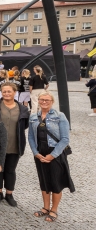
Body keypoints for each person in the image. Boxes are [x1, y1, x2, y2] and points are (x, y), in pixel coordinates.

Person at [28, 91, 75, 222]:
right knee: (44, 180)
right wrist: (35, 153)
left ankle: (54, 210)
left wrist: (52, 155)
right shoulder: (33, 117)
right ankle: (45, 207)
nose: (44, 102)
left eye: (47, 100)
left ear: (52, 102)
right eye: (42, 99)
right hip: (40, 152)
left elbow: (65, 139)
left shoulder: (60, 116)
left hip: (56, 152)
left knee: (56, 181)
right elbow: (31, 137)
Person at [0, 82, 30, 207]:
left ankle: (9, 193)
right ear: (1, 93)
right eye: (4, 91)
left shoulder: (23, 109)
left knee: (10, 170)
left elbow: (24, 125)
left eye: (9, 91)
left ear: (15, 92)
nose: (6, 94)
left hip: (15, 144)